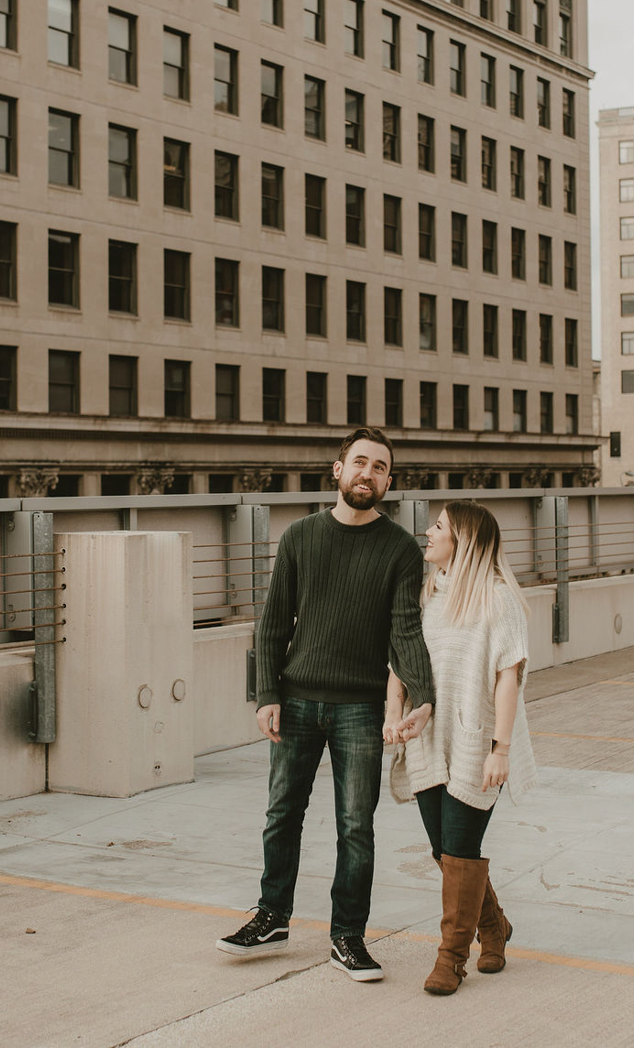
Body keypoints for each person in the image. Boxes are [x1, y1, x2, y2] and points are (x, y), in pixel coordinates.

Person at [217, 427, 436, 982]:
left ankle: (348, 937)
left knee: (355, 825)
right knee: (281, 816)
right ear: (337, 471)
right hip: (296, 700)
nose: (368, 474)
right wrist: (268, 693)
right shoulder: (300, 537)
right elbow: (272, 625)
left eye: (380, 468)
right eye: (359, 463)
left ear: (389, 481)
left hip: (360, 709)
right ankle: (272, 916)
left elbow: (405, 632)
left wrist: (424, 694)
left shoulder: (400, 550)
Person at [387, 499, 537, 996]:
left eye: (439, 526)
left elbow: (508, 677)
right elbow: (400, 664)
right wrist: (395, 715)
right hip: (429, 739)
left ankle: (451, 957)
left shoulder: (498, 600)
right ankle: (494, 927)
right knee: (444, 849)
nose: (427, 532)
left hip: (475, 742)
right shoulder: (428, 594)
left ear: (464, 540)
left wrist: (502, 748)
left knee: (461, 848)